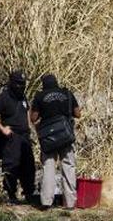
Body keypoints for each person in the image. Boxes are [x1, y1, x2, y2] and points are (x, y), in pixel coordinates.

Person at [30, 74, 81, 210]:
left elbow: (33, 118)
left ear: (44, 84)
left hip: (48, 139)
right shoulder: (67, 93)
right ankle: (70, 203)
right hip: (65, 137)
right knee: (68, 167)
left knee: (48, 167)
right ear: (56, 83)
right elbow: (77, 114)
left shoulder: (39, 96)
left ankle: (46, 202)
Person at [0, 70, 35, 205]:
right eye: (19, 83)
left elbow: (27, 112)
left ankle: (29, 194)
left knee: (28, 166)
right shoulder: (4, 97)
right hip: (12, 136)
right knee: (11, 165)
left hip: (25, 136)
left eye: (23, 83)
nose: (22, 86)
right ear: (12, 83)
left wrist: (29, 127)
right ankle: (11, 195)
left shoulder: (23, 97)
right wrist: (2, 128)